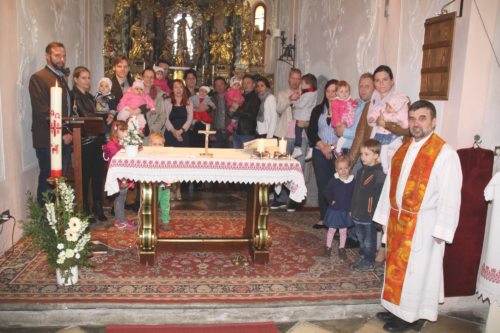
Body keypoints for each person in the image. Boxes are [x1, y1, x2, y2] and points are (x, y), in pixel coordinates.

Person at [373, 100, 462, 332]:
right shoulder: (403, 149)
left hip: (423, 224)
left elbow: (451, 195)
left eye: (422, 118)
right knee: (396, 269)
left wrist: (442, 230)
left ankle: (411, 315)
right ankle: (395, 308)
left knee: (416, 272)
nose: (416, 123)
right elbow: (390, 186)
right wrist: (384, 217)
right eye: (412, 118)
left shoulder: (444, 153)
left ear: (433, 121)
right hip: (398, 221)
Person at [29, 41, 72, 205]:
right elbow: (44, 111)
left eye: (64, 55)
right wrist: (63, 133)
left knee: (59, 182)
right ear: (47, 56)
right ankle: (44, 223)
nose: (61, 59)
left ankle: (57, 218)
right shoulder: (39, 78)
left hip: (65, 137)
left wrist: (68, 132)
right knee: (48, 181)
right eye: (57, 55)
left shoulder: (61, 78)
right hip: (48, 139)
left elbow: (66, 109)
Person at [71, 66, 107, 221]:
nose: (87, 81)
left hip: (97, 140)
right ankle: (84, 207)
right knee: (85, 177)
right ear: (76, 79)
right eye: (84, 78)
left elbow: (98, 116)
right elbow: (79, 118)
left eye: (89, 78)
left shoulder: (92, 97)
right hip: (84, 142)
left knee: (98, 175)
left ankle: (97, 205)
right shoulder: (73, 96)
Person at [307, 79, 339, 229]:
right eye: (328, 91)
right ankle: (324, 217)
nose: (331, 94)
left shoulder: (345, 110)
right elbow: (311, 131)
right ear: (325, 93)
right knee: (323, 185)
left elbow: (345, 133)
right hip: (320, 152)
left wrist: (331, 147)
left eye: (334, 91)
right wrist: (323, 146)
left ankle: (336, 219)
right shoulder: (317, 110)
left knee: (337, 185)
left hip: (338, 153)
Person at [271, 68, 304, 212]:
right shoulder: (282, 93)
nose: (295, 81)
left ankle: (294, 200)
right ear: (289, 79)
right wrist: (290, 100)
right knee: (283, 167)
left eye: (298, 79)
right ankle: (281, 198)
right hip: (284, 133)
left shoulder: (305, 94)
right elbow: (278, 109)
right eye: (293, 78)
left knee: (297, 168)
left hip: (300, 135)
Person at [350, 139, 385, 272]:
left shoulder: (379, 173)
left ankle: (369, 260)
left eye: (366, 154)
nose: (362, 157)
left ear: (376, 155)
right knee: (361, 238)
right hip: (358, 213)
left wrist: (376, 215)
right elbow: (355, 193)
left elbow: (379, 196)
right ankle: (363, 256)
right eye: (361, 154)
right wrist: (351, 209)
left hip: (369, 215)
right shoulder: (361, 171)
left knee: (369, 240)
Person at [102, 120, 136, 230]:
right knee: (120, 198)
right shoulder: (112, 146)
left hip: (123, 175)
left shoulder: (121, 143)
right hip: (119, 177)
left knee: (120, 198)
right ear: (116, 131)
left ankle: (119, 219)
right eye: (123, 130)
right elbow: (117, 165)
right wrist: (124, 179)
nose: (126, 132)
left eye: (127, 130)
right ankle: (121, 221)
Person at [322, 156, 355, 260]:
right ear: (336, 170)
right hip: (335, 210)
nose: (343, 171)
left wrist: (352, 209)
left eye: (345, 168)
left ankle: (341, 248)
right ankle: (328, 247)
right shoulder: (334, 181)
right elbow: (327, 192)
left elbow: (355, 195)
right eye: (340, 169)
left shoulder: (352, 181)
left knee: (343, 231)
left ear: (349, 168)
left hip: (345, 210)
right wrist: (331, 200)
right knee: (331, 229)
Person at [368, 92, 409, 173]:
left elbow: (406, 124)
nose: (387, 108)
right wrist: (372, 117)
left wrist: (402, 123)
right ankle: (385, 167)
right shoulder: (383, 112)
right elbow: (376, 113)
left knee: (400, 146)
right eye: (387, 105)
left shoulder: (398, 115)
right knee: (383, 149)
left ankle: (401, 162)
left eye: (390, 107)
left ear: (396, 108)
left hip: (392, 136)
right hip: (382, 136)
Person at [346, 73, 375, 169]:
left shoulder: (373, 107)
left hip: (360, 154)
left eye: (367, 86)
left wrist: (344, 132)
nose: (363, 90)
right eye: (361, 86)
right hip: (346, 150)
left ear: (374, 88)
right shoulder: (357, 104)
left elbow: (362, 134)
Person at [229, 74, 260, 149]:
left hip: (247, 132)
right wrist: (231, 111)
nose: (245, 85)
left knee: (246, 158)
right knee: (236, 157)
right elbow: (234, 112)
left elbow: (252, 115)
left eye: (248, 83)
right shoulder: (241, 95)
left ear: (253, 85)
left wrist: (237, 108)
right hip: (237, 130)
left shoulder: (255, 98)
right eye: (244, 83)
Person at [291, 74, 318, 160]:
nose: (300, 85)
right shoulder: (312, 92)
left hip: (303, 116)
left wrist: (294, 103)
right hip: (307, 116)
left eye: (302, 83)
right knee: (308, 133)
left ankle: (297, 147)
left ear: (308, 85)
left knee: (298, 132)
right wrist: (301, 92)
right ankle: (311, 147)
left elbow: (301, 104)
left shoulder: (308, 94)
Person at [148, 133, 171, 231]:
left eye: (160, 144)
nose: (158, 146)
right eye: (155, 144)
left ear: (164, 145)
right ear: (150, 145)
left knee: (165, 203)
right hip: (153, 185)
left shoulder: (166, 156)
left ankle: (165, 221)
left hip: (165, 183)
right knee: (152, 203)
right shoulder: (147, 157)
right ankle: (150, 221)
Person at [330, 80, 358, 156]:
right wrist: (338, 124)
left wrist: (355, 102)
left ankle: (339, 148)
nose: (344, 94)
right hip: (342, 122)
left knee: (346, 136)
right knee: (344, 136)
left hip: (350, 121)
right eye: (341, 91)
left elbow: (354, 106)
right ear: (337, 93)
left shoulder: (349, 99)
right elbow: (335, 114)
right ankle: (338, 149)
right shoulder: (336, 102)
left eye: (346, 91)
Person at [143, 68, 167, 136]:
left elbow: (162, 115)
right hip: (138, 133)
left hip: (154, 134)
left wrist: (154, 129)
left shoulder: (159, 94)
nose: (149, 79)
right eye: (147, 77)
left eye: (151, 77)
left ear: (154, 79)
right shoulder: (134, 92)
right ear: (143, 78)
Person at [94, 77, 117, 142]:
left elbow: (113, 108)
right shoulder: (97, 96)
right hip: (97, 116)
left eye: (106, 86)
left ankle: (108, 140)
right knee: (98, 132)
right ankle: (99, 141)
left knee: (106, 129)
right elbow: (93, 105)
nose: (103, 88)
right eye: (101, 86)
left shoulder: (111, 97)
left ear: (109, 88)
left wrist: (111, 116)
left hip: (106, 116)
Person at [211, 76, 231, 148]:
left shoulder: (232, 98)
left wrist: (232, 133)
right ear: (214, 87)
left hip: (229, 132)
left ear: (225, 85)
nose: (219, 87)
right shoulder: (211, 100)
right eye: (217, 85)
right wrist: (211, 133)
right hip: (216, 133)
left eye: (221, 84)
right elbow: (209, 118)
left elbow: (235, 117)